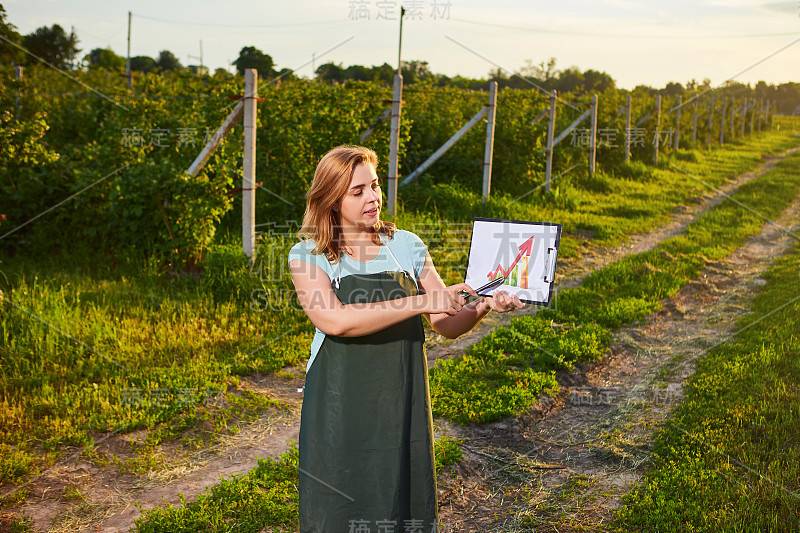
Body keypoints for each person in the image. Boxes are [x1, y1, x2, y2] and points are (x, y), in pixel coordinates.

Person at [288, 145, 525, 533]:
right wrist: (422, 299)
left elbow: (442, 322)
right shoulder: (309, 255)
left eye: (375, 186)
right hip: (339, 401)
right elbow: (335, 321)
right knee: (338, 500)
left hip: (400, 395)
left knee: (400, 497)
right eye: (358, 191)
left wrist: (482, 306)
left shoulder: (406, 245)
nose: (373, 198)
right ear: (331, 200)